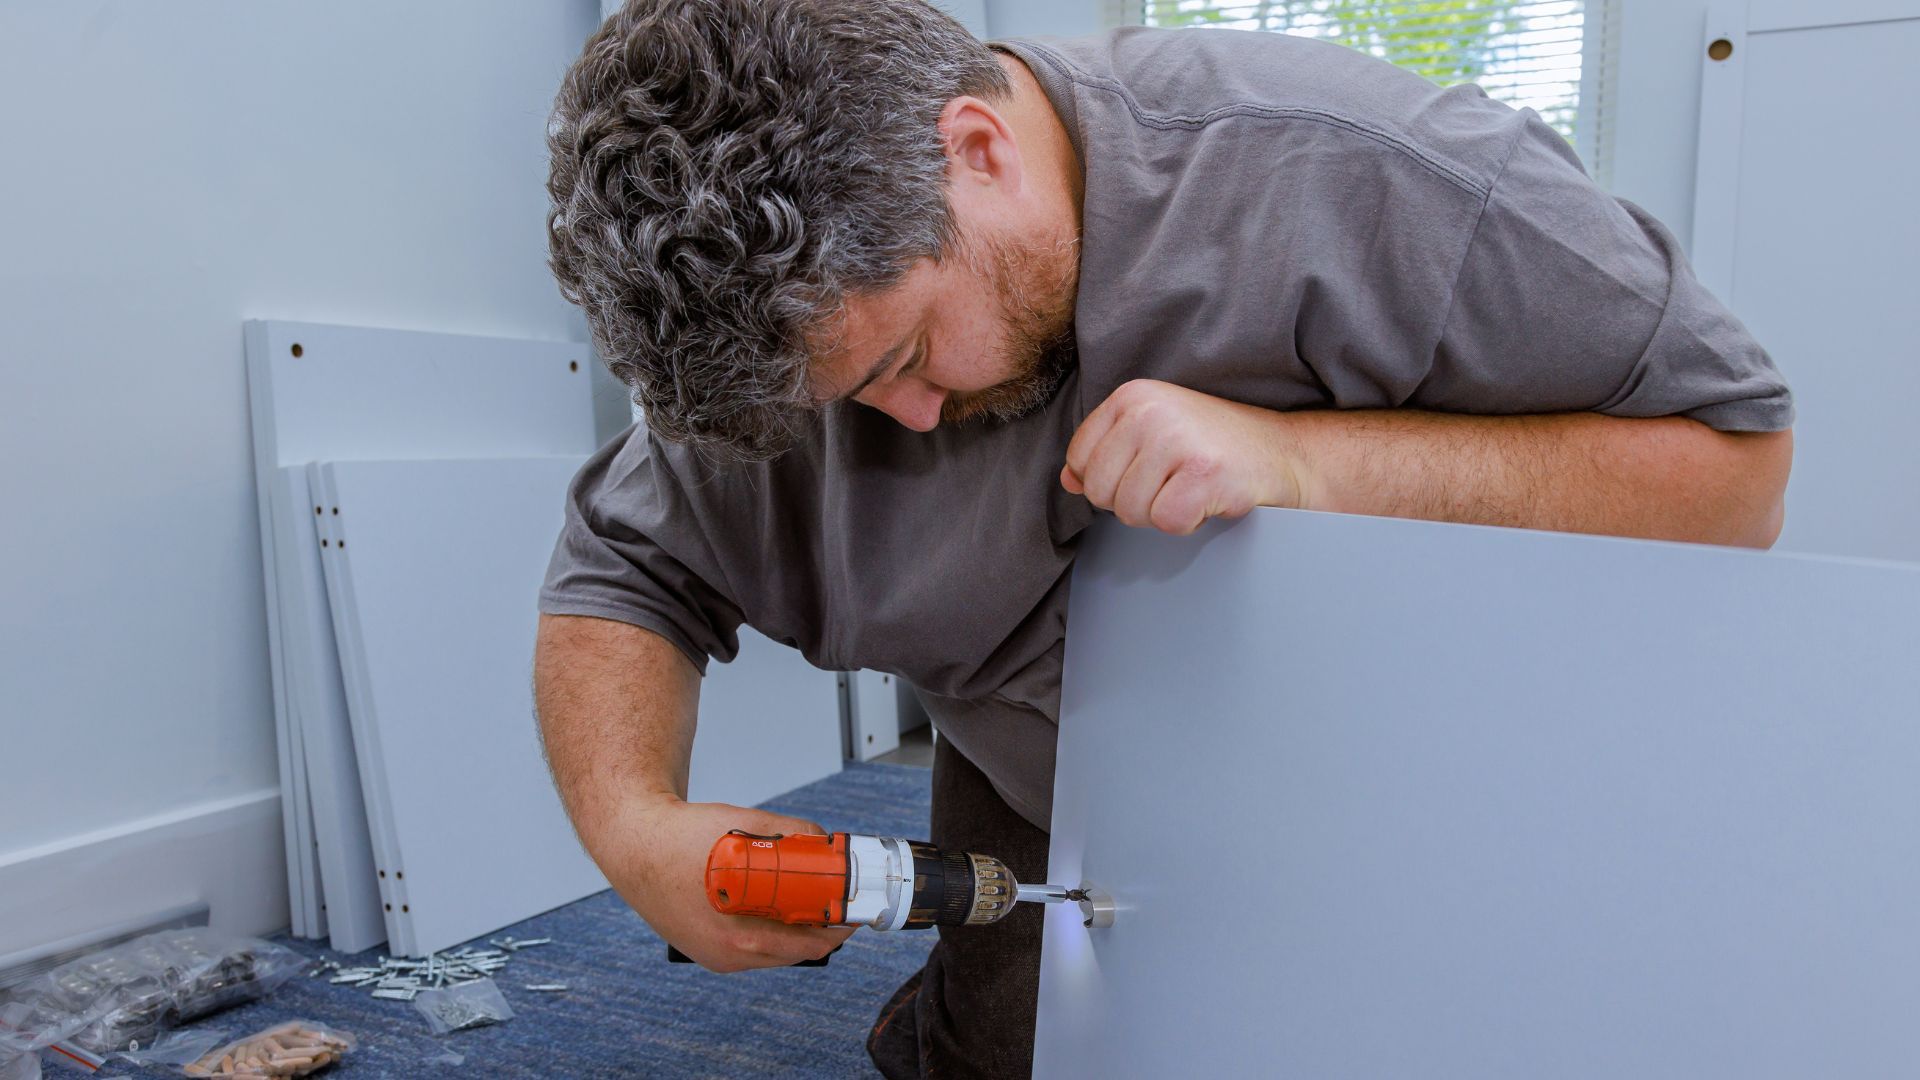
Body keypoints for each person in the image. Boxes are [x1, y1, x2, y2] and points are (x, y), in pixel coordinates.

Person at [533, 0, 1795, 1075]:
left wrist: (1309, 462)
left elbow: (1734, 478)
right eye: (853, 393)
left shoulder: (1369, 178)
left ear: (975, 149)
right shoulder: (801, 348)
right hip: (1038, 789)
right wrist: (633, 828)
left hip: (1425, 780)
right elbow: (622, 566)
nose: (903, 414)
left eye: (910, 355)